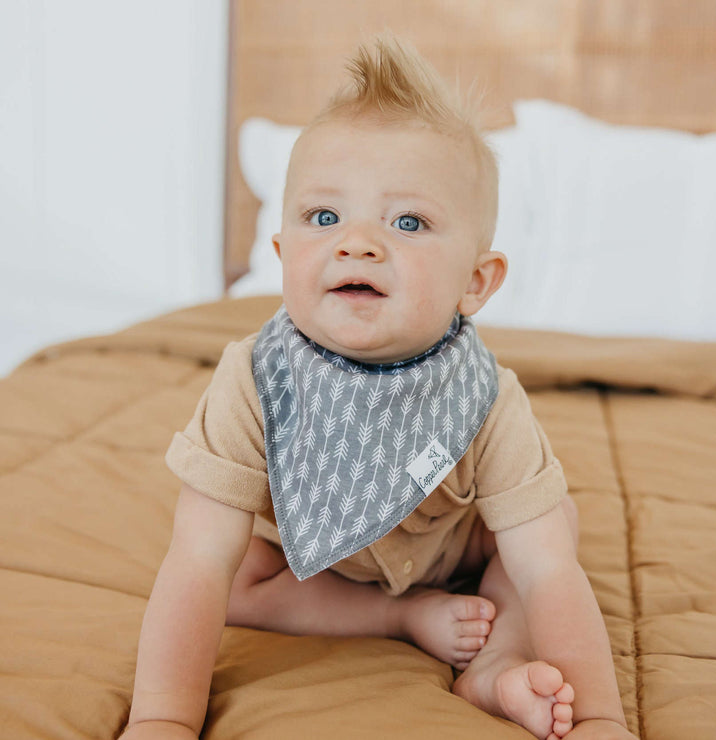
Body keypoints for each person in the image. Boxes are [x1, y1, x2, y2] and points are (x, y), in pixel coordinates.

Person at [121, 35, 637, 740]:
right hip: (315, 558)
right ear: (282, 256)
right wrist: (161, 719)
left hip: (448, 550)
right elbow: (199, 560)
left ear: (475, 281)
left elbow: (547, 572)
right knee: (231, 571)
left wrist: (602, 719)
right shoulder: (256, 379)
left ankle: (497, 662)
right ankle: (398, 618)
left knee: (549, 535)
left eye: (408, 222)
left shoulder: (483, 397)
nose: (357, 242)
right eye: (324, 217)